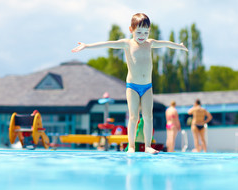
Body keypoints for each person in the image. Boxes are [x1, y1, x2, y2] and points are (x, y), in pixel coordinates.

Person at [72, 13, 188, 154]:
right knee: (134, 116)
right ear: (131, 29)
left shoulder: (149, 43)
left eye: (145, 32)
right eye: (138, 32)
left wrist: (179, 46)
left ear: (149, 31)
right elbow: (108, 44)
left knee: (148, 116)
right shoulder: (127, 44)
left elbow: (166, 44)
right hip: (132, 86)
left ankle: (147, 146)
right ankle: (131, 146)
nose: (142, 35)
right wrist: (87, 46)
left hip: (147, 87)